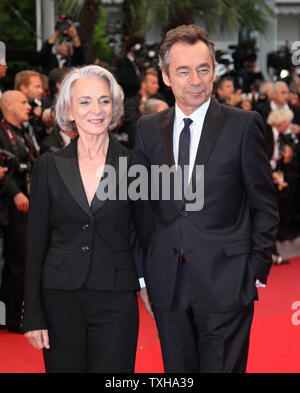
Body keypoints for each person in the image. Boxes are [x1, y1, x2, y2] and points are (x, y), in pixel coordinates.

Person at [135, 24, 279, 373]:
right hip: (166, 285)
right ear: (167, 77)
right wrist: (143, 276)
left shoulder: (244, 125)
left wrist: (256, 271)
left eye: (203, 69)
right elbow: (142, 208)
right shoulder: (146, 129)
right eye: (183, 71)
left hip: (227, 281)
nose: (196, 80)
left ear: (214, 71)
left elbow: (264, 203)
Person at [21, 65, 150, 373]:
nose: (96, 110)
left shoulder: (135, 166)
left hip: (116, 299)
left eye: (104, 101)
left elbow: (146, 235)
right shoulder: (48, 166)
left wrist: (152, 288)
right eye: (85, 101)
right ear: (68, 108)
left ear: (115, 107)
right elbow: (36, 243)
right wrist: (32, 314)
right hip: (59, 299)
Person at [0, 91, 37, 332]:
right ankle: (12, 317)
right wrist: (15, 192)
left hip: (22, 204)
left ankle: (12, 317)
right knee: (16, 263)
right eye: (23, 102)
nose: (29, 107)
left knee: (19, 262)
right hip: (10, 204)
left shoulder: (24, 133)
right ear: (9, 105)